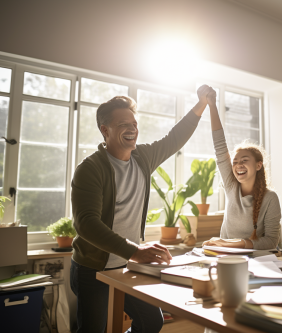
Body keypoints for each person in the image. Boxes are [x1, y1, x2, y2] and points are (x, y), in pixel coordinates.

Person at [70, 85, 214, 333]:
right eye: (123, 124)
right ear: (105, 130)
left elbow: (175, 138)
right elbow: (86, 224)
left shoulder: (143, 157)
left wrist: (202, 104)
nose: (132, 129)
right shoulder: (90, 169)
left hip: (127, 266)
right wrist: (135, 251)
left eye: (134, 123)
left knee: (151, 321)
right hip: (92, 269)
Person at [202, 89, 281, 250]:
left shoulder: (270, 198)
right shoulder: (231, 186)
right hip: (223, 255)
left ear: (258, 165)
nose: (238, 165)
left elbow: (272, 241)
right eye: (235, 161)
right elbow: (219, 146)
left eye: (245, 160)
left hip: (253, 260)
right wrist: (212, 106)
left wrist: (236, 243)